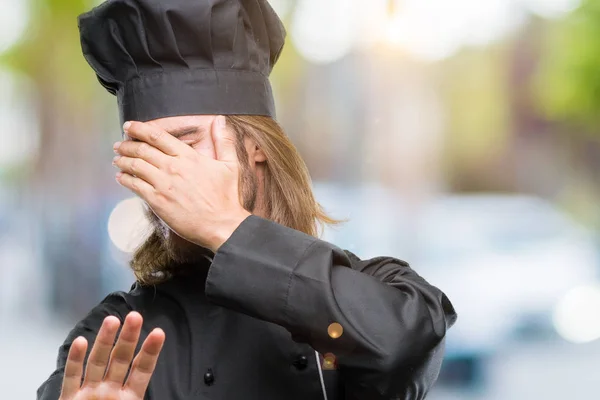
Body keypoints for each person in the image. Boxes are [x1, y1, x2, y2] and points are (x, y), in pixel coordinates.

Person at [37, 0, 457, 399]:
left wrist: (226, 226)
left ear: (256, 144)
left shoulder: (371, 291)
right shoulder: (115, 338)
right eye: (148, 153)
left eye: (186, 142)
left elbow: (403, 345)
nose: (167, 172)